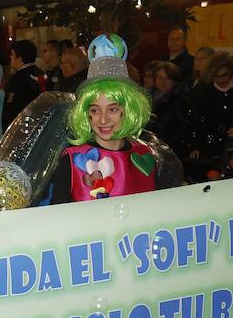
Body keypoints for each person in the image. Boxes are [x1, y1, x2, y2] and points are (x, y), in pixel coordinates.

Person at [49, 34, 172, 203]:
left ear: (128, 110)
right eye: (95, 110)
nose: (103, 120)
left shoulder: (147, 155)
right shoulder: (72, 160)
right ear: (86, 114)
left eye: (113, 109)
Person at [186, 53, 233, 170]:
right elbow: (194, 121)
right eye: (216, 76)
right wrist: (195, 145)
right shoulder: (201, 92)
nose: (221, 79)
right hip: (209, 148)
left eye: (225, 75)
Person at [145, 61, 190, 156]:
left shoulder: (180, 101)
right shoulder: (147, 99)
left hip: (169, 150)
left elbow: (181, 129)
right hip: (148, 148)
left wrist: (164, 146)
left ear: (174, 80)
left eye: (168, 78)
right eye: (160, 78)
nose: (163, 82)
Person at [2, 39, 44, 128]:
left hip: (22, 126)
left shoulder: (18, 78)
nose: (10, 57)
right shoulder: (41, 73)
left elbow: (12, 107)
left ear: (20, 58)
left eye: (12, 55)